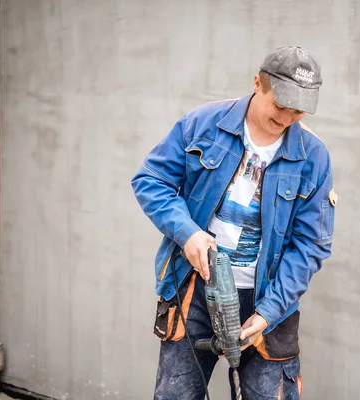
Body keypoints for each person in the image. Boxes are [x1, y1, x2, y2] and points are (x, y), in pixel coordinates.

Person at [132, 45, 336, 400]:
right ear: (258, 83)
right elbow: (150, 181)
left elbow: (311, 245)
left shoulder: (314, 158)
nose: (287, 118)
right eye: (280, 106)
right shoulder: (201, 124)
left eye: (298, 111)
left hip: (270, 301)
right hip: (195, 290)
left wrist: (268, 312)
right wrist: (188, 233)